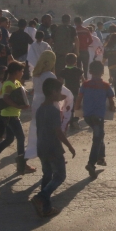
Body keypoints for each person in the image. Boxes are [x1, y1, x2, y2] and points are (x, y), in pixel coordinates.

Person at [31, 78, 75, 217]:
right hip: (52, 148)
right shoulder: (53, 110)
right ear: (53, 92)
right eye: (59, 91)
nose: (60, 94)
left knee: (47, 175)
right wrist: (69, 146)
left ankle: (46, 208)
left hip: (42, 147)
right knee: (60, 175)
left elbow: (40, 130)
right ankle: (42, 197)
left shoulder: (40, 109)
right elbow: (58, 132)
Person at [0, 61, 36, 174]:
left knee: (9, 139)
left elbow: (24, 93)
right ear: (16, 72)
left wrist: (32, 92)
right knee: (20, 138)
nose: (22, 73)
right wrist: (19, 106)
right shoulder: (8, 84)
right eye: (21, 71)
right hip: (10, 115)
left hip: (11, 115)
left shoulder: (16, 82)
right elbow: (6, 98)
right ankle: (22, 164)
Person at [77, 61, 115, 178]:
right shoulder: (105, 85)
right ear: (103, 72)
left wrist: (77, 109)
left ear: (90, 72)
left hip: (87, 116)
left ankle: (101, 158)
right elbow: (111, 101)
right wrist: (112, 108)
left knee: (99, 135)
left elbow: (79, 99)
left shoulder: (85, 84)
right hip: (98, 117)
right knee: (97, 139)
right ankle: (91, 163)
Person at [24, 50, 57, 161]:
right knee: (50, 130)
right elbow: (54, 92)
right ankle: (50, 154)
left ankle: (33, 153)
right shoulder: (49, 75)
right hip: (47, 103)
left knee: (38, 130)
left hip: (36, 102)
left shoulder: (36, 74)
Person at [60, 53, 83, 124]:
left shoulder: (63, 71)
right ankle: (76, 120)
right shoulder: (79, 71)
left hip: (67, 90)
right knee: (77, 104)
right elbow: (83, 80)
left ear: (66, 62)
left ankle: (68, 119)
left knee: (68, 105)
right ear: (75, 62)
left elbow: (60, 82)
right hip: (76, 90)